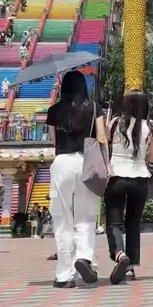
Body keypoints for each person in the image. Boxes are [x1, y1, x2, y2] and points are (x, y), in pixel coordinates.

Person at [45, 70, 102, 288]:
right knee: (86, 217)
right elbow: (102, 138)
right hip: (86, 162)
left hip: (62, 163)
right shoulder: (94, 108)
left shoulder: (54, 110)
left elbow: (53, 141)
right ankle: (84, 257)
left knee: (63, 220)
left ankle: (65, 275)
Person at [105, 90, 153, 285]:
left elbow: (104, 144)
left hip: (117, 176)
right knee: (133, 223)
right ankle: (130, 267)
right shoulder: (150, 127)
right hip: (141, 178)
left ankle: (120, 253)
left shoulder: (115, 123)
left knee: (114, 222)